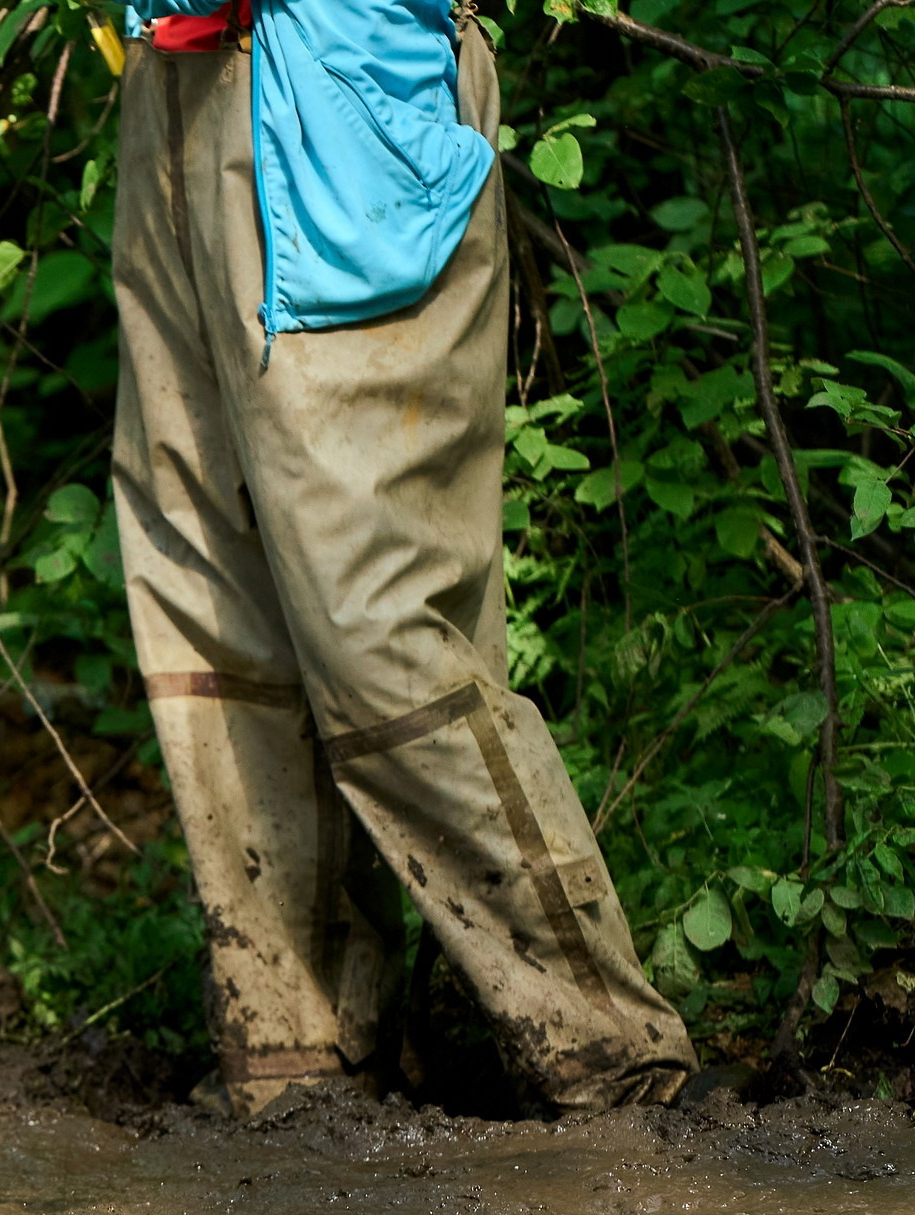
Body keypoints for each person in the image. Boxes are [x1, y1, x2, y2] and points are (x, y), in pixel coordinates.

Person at [108, 0, 696, 1115]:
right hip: (176, 79)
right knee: (213, 596)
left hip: (340, 74)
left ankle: (609, 1056)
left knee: (372, 617)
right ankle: (299, 1048)